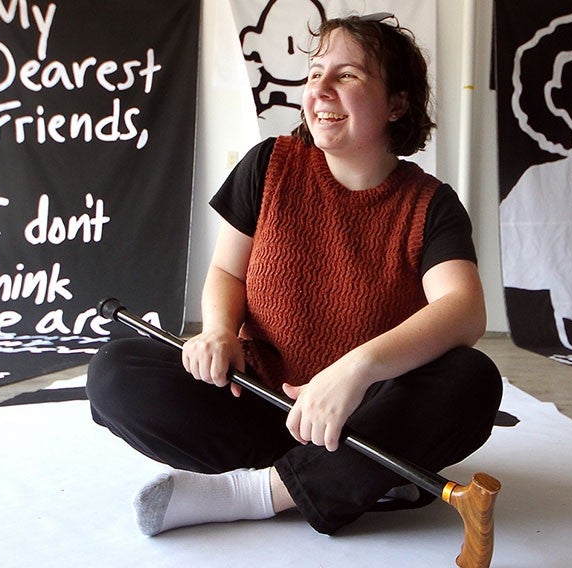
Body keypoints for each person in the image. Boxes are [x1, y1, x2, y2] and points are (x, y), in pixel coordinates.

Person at [87, 14, 503, 538]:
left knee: (473, 380)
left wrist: (356, 371)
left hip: (360, 416)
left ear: (397, 103)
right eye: (314, 74)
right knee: (117, 371)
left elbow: (463, 310)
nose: (321, 89)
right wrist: (217, 330)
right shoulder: (269, 164)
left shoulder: (431, 205)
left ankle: (258, 493)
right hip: (256, 398)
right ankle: (356, 477)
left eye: (347, 76)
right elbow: (225, 271)